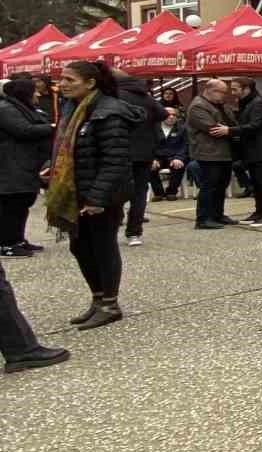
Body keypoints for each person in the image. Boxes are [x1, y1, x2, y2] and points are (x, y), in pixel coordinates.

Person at [47, 61, 142, 330]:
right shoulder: (75, 108)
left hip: (103, 194)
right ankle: (98, 299)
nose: (63, 84)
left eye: (70, 79)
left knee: (102, 246)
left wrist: (97, 199)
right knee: (80, 246)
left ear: (90, 83)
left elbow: (115, 161)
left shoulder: (109, 112)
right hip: (79, 190)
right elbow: (70, 147)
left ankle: (110, 305)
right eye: (62, 79)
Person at [0, 77, 54, 257]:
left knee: (22, 204)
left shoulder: (22, 108)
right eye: (34, 91)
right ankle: (7, 244)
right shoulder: (5, 109)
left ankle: (18, 239)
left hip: (24, 163)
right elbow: (23, 130)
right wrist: (52, 127)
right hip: (11, 164)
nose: (38, 94)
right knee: (12, 206)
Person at [217, 77, 262, 227]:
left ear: (246, 89)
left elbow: (255, 125)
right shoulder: (247, 103)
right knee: (256, 183)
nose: (232, 92)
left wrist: (230, 130)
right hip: (253, 150)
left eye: (235, 89)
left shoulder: (259, 103)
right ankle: (259, 212)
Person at [113, 71, 163, 247]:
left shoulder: (113, 96)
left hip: (119, 149)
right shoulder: (146, 97)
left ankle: (113, 226)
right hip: (144, 152)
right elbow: (163, 114)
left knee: (116, 190)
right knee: (140, 193)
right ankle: (134, 232)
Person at [187, 79, 238, 229]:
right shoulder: (198, 106)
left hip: (224, 152)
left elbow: (233, 123)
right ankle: (203, 219)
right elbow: (213, 128)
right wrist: (230, 130)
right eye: (222, 92)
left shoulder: (221, 105)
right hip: (208, 152)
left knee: (222, 184)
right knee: (209, 185)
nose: (224, 95)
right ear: (210, 90)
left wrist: (229, 129)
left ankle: (218, 215)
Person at [151, 107, 189, 201]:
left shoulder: (182, 129)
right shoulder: (153, 128)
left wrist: (179, 158)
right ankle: (158, 193)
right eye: (168, 114)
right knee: (149, 166)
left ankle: (171, 192)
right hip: (158, 157)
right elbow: (148, 145)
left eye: (174, 115)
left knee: (178, 166)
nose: (171, 117)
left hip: (174, 156)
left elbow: (185, 145)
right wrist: (152, 159)